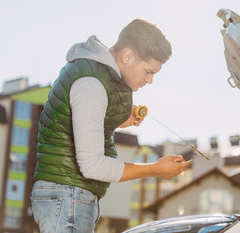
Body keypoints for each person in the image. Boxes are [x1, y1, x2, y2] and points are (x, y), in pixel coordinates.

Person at [30, 18, 193, 233]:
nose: (150, 80)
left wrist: (116, 121)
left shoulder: (94, 77)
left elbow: (74, 126)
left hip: (69, 195)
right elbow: (92, 165)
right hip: (67, 195)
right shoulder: (92, 85)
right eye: (148, 71)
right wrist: (155, 169)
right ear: (127, 56)